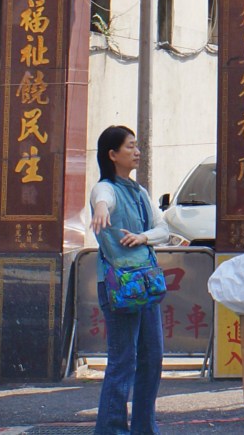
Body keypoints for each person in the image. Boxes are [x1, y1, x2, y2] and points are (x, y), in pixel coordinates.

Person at [90, 125, 181, 435]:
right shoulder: (105, 189)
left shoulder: (140, 191)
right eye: (130, 146)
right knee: (123, 360)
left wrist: (143, 237)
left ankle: (144, 428)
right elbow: (102, 198)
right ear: (112, 155)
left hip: (145, 285)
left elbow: (163, 230)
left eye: (137, 145)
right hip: (118, 286)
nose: (137, 151)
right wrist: (101, 207)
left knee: (152, 358)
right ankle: (111, 430)